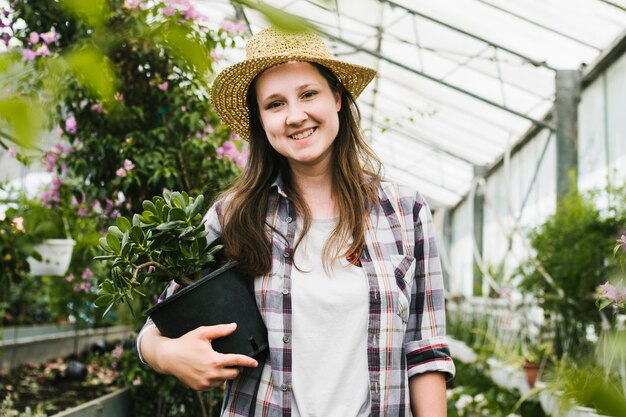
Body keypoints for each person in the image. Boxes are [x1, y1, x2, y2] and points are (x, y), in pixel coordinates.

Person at [137, 26, 455, 417]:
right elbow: (155, 330)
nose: (295, 116)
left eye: (308, 94)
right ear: (261, 120)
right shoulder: (234, 216)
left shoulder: (404, 212)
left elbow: (425, 351)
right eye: (274, 104)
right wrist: (168, 355)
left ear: (337, 97)